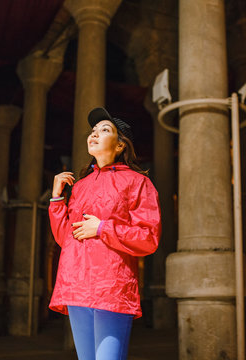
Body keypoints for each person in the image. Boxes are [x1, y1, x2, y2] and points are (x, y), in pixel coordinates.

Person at [48, 107, 161, 360]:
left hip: (112, 285)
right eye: (93, 131)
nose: (94, 134)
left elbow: (148, 237)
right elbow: (67, 238)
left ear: (120, 146)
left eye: (104, 130)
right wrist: (57, 199)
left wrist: (102, 228)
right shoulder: (80, 186)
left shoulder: (138, 182)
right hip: (76, 283)